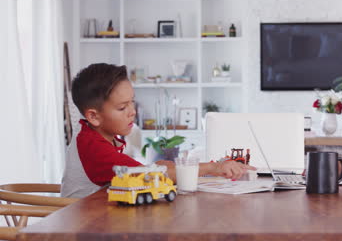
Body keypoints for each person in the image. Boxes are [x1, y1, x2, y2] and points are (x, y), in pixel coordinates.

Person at [61, 63, 255, 198]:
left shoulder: (98, 134)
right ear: (94, 116)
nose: (132, 112)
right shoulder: (91, 145)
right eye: (122, 108)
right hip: (85, 224)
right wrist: (214, 167)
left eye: (132, 102)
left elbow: (131, 171)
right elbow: (149, 175)